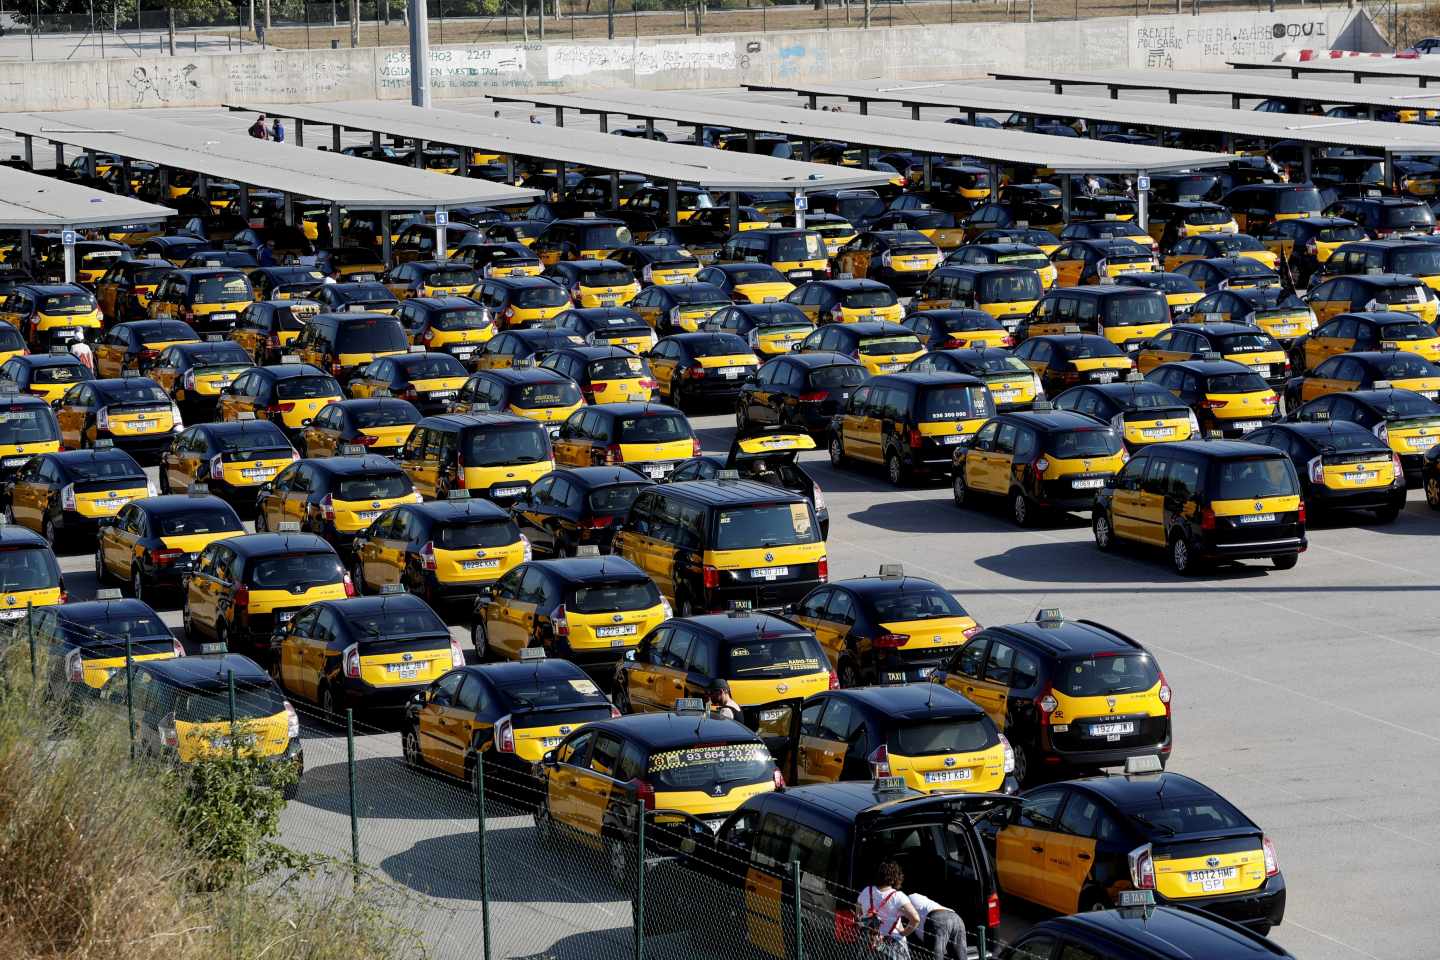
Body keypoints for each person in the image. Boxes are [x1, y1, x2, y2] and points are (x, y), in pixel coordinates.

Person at [857, 860, 919, 960]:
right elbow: (916, 919)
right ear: (895, 878)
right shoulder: (898, 897)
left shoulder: (866, 891)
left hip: (869, 943)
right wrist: (903, 933)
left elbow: (859, 915)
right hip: (892, 946)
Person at [905, 892, 966, 960]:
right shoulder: (920, 899)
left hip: (937, 919)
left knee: (936, 957)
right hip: (955, 917)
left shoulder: (904, 900)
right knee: (961, 957)